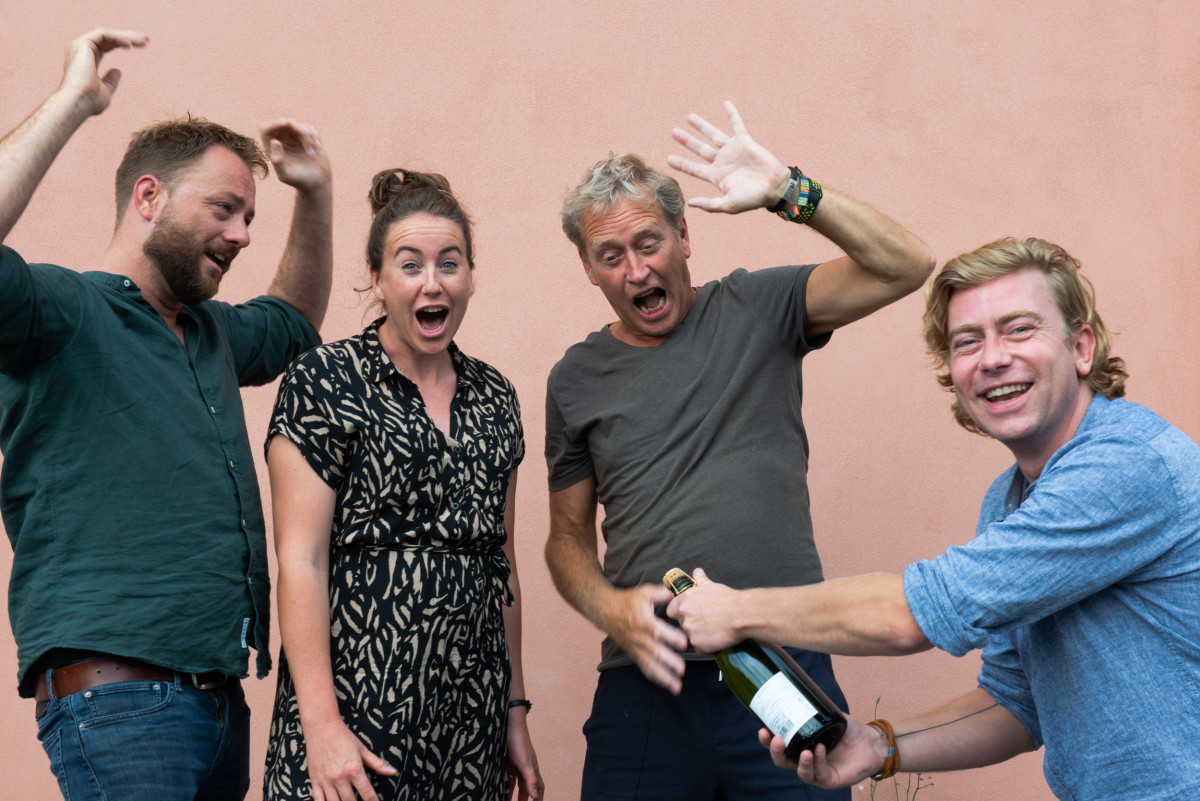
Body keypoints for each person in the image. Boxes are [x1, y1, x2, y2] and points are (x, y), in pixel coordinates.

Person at [666, 237, 1200, 800]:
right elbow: (1015, 702)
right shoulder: (1010, 499)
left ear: (1082, 347)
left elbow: (911, 614)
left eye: (1019, 329)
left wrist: (737, 613)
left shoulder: (1126, 466)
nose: (992, 359)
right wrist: (877, 745)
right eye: (967, 341)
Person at [544, 101, 935, 799]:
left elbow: (906, 265)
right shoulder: (574, 379)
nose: (636, 270)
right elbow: (566, 539)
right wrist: (609, 610)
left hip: (782, 661)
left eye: (649, 243)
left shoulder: (760, 307)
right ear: (588, 268)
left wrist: (789, 190)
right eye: (611, 256)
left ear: (684, 235)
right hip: (648, 684)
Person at [0, 29, 333, 800]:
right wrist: (70, 103)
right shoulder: (64, 309)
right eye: (224, 209)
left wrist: (315, 193)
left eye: (249, 217)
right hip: (122, 703)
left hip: (215, 703)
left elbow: (292, 321)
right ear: (149, 197)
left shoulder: (209, 332)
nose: (241, 235)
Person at [262, 168, 543, 801]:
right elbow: (301, 562)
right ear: (378, 278)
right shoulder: (325, 380)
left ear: (470, 276)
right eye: (410, 265)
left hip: (471, 718)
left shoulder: (496, 396)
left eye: (450, 263)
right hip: (357, 710)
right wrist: (321, 727)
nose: (432, 282)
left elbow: (502, 563)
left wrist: (514, 711)